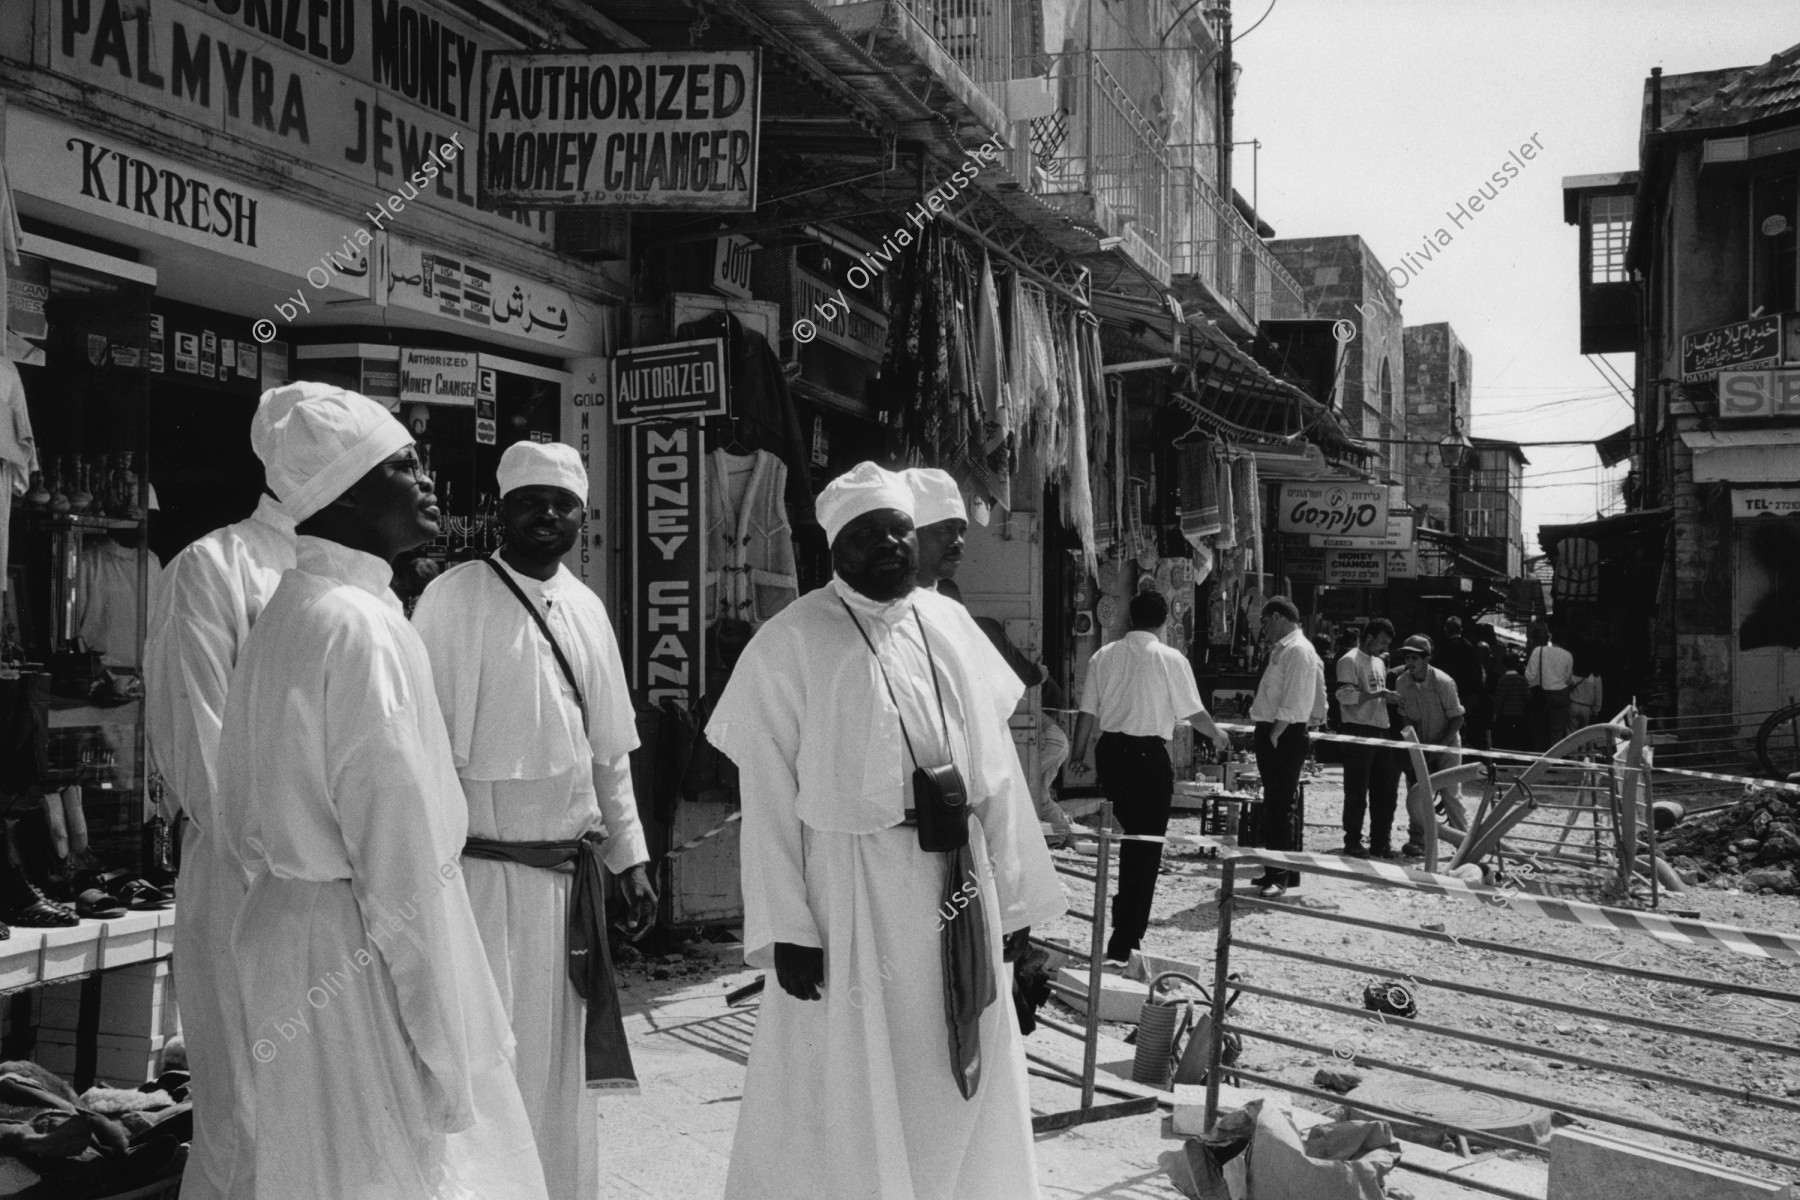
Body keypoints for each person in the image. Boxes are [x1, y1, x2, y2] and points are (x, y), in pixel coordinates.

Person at [213, 384, 547, 1200]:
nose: (427, 479)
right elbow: (399, 853)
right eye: (404, 466)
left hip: (290, 939)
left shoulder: (291, 611)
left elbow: (234, 812)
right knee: (400, 1171)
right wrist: (447, 1039)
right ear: (348, 493)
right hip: (361, 946)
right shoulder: (359, 625)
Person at [706, 461, 1065, 1200]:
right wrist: (787, 927)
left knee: (952, 1065)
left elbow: (995, 773)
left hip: (958, 879)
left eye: (900, 530)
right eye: (867, 534)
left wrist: (1017, 903)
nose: (890, 546)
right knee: (855, 1067)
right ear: (832, 548)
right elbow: (769, 800)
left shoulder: (950, 622)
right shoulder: (790, 641)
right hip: (850, 892)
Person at [412, 441, 655, 1200]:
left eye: (561, 504)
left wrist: (631, 858)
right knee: (487, 1060)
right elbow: (426, 753)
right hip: (479, 882)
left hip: (563, 891)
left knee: (558, 1068)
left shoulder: (585, 607)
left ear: (582, 517)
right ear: (501, 511)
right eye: (529, 502)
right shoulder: (454, 597)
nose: (546, 516)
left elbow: (607, 754)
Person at [144, 394, 297, 1200]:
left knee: (315, 1124)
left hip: (332, 903)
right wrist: (287, 867)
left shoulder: (345, 574)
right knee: (245, 1127)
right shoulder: (210, 569)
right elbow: (201, 758)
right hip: (249, 887)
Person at [908, 467, 1075, 841]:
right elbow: (1026, 675)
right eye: (943, 532)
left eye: (961, 532)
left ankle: (1065, 836)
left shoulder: (967, 629)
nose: (957, 543)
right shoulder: (969, 627)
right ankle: (1067, 836)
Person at [1068, 589, 1228, 960]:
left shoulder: (1103, 655)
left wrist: (1077, 756)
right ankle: (1126, 937)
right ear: (1165, 622)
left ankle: (1124, 927)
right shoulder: (1171, 658)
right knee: (1145, 848)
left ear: (1128, 619)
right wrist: (1218, 735)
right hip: (1147, 757)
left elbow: (1087, 712)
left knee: (1131, 841)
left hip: (1111, 755)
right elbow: (1194, 711)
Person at [1247, 597, 1327, 897]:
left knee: (1280, 807)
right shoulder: (1285, 650)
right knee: (1277, 805)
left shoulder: (1297, 650)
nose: (1263, 629)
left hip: (1284, 733)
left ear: (1278, 617)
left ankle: (1278, 876)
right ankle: (1280, 870)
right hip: (1277, 731)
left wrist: (1275, 735)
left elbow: (1295, 700)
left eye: (1265, 622)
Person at [1393, 634, 1468, 854]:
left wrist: (1438, 750)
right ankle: (1419, 841)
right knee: (1417, 794)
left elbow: (1457, 719)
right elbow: (1405, 717)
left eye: (1414, 658)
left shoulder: (1444, 682)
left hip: (1446, 746)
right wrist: (1416, 748)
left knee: (1450, 795)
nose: (1409, 663)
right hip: (1420, 747)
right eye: (1407, 657)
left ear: (1426, 659)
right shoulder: (1402, 682)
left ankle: (1463, 845)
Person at [1334, 618, 1401, 858]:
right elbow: (1345, 695)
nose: (1385, 648)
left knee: (1386, 790)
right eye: (1382, 642)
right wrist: (1378, 694)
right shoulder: (1349, 660)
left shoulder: (1379, 662)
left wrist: (1385, 697)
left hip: (1380, 728)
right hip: (1358, 729)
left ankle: (1381, 841)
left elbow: (1374, 694)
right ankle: (1352, 840)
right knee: (1357, 790)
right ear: (1370, 637)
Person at [1435, 617, 1488, 750]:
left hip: (1447, 694)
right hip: (1467, 696)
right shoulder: (1469, 647)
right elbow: (1477, 673)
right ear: (1461, 630)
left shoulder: (1444, 648)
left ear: (1445, 630)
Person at [1525, 622, 1574, 748]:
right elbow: (1568, 680)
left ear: (1551, 637)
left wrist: (1533, 689)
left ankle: (1538, 762)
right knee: (1556, 732)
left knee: (1539, 730)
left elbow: (1529, 675)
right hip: (1561, 696)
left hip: (1542, 695)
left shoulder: (1539, 651)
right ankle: (1553, 761)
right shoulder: (1568, 656)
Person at [1491, 653, 1531, 751]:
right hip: (1519, 715)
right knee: (1517, 739)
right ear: (1517, 664)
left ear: (1504, 665)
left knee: (1506, 739)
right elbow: (1528, 697)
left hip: (1505, 715)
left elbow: (1500, 698)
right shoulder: (1523, 680)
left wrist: (1495, 713)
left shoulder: (1503, 680)